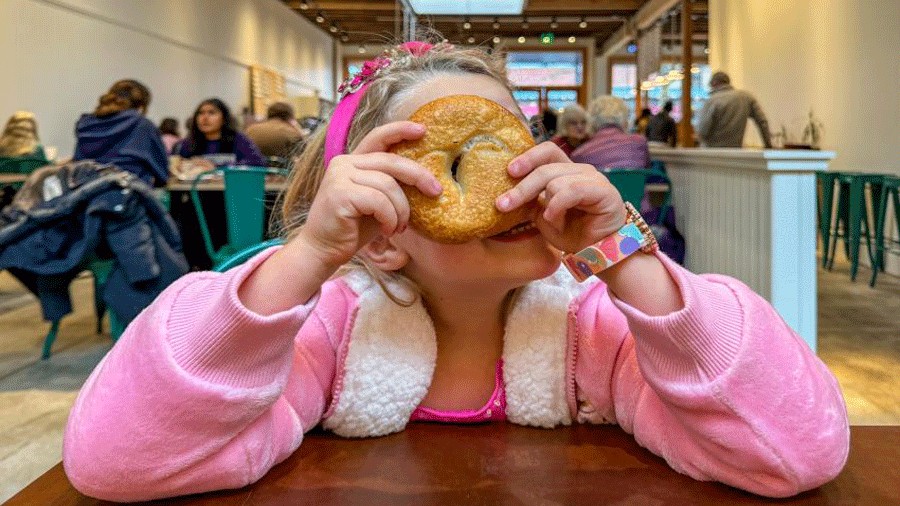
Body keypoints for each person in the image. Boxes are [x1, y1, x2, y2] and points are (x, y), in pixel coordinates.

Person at [63, 40, 848, 503]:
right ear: (377, 233)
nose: (511, 184)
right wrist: (303, 261)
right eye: (469, 161)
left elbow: (796, 449)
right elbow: (115, 458)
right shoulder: (329, 339)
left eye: (520, 144)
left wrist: (628, 261)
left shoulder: (592, 330)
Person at [73, 80, 169, 186]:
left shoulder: (85, 124)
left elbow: (77, 163)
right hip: (129, 195)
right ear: (141, 107)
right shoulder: (142, 125)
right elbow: (162, 174)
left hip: (85, 195)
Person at [177, 98, 266, 170]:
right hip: (196, 190)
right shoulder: (189, 142)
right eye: (201, 113)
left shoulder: (238, 140)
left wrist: (217, 168)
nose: (205, 118)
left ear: (224, 119)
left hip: (230, 190)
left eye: (212, 113)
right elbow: (179, 166)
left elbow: (257, 164)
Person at [571, 95, 650, 170]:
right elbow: (646, 171)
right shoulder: (639, 142)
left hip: (599, 184)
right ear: (624, 118)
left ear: (591, 121)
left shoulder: (580, 155)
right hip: (634, 184)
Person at [697, 71, 772, 148]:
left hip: (712, 153)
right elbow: (763, 122)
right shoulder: (746, 97)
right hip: (735, 152)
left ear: (714, 83)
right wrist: (768, 145)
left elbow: (702, 131)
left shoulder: (711, 101)